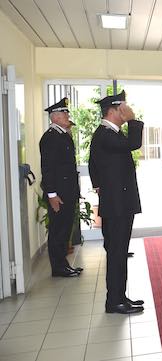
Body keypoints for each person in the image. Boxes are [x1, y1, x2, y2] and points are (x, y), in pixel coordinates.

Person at [89, 90, 145, 314]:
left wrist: (99, 185)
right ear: (113, 111)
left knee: (119, 252)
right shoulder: (106, 134)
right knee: (117, 252)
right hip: (117, 204)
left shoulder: (110, 133)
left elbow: (93, 164)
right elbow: (134, 144)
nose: (127, 110)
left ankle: (119, 296)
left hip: (118, 201)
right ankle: (114, 301)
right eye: (124, 108)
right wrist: (133, 119)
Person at [39, 97, 83, 277]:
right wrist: (51, 194)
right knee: (58, 230)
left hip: (67, 191)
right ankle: (58, 267)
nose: (67, 116)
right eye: (64, 113)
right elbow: (47, 168)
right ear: (54, 117)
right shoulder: (50, 138)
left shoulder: (62, 135)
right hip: (58, 194)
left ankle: (62, 264)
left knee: (64, 229)